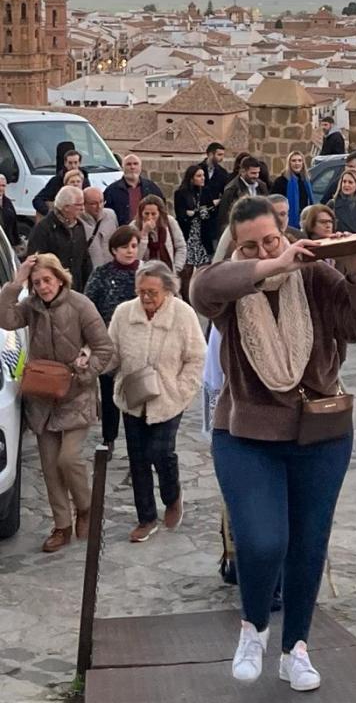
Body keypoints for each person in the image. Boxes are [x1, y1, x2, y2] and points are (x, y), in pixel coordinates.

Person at [191, 195, 356, 690]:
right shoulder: (229, 286)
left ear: (285, 230)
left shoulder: (315, 276)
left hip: (319, 434)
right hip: (245, 435)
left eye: (272, 240)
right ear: (236, 248)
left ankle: (294, 648)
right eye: (249, 245)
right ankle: (253, 626)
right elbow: (200, 289)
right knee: (262, 539)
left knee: (307, 544)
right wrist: (268, 263)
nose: (263, 249)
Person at [0, 251, 115, 552]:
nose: (43, 287)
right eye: (37, 283)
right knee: (50, 467)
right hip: (42, 398)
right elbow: (5, 318)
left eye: (47, 280)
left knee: (69, 458)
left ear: (59, 278)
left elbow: (104, 348)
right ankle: (61, 525)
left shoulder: (81, 305)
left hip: (75, 395)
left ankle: (87, 507)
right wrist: (17, 281)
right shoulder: (31, 306)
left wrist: (85, 374)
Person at [109, 260, 206, 542]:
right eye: (141, 292)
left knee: (160, 452)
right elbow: (112, 353)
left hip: (168, 398)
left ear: (168, 290)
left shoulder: (183, 314)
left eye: (152, 292)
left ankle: (172, 495)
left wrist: (181, 388)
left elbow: (197, 357)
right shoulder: (124, 313)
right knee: (138, 460)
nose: (146, 298)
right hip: (133, 397)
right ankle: (147, 517)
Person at [84, 226, 142, 452]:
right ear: (114, 249)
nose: (129, 251)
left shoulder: (145, 273)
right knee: (109, 393)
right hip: (109, 344)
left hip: (137, 344)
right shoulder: (102, 273)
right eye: (124, 247)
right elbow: (89, 306)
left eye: (134, 246)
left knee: (136, 393)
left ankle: (136, 443)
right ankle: (109, 438)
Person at [27, 186, 91, 292]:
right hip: (52, 290)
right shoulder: (44, 229)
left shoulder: (79, 226)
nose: (83, 208)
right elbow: (36, 262)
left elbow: (85, 259)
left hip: (76, 290)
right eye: (78, 205)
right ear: (66, 207)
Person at [174, 163, 213, 297]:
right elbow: (182, 215)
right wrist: (196, 213)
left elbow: (209, 212)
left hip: (202, 237)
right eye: (199, 176)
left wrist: (195, 213)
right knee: (187, 272)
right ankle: (186, 301)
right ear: (191, 178)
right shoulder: (181, 194)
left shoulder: (205, 192)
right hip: (189, 236)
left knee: (206, 270)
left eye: (203, 175)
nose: (202, 178)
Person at [103, 154, 165, 226]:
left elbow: (162, 210)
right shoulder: (112, 190)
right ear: (123, 168)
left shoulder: (152, 188)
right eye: (128, 164)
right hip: (123, 232)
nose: (132, 167)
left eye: (135, 164)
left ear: (140, 167)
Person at [133, 195, 187, 275]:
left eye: (153, 214)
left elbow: (181, 246)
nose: (149, 217)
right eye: (146, 214)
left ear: (160, 213)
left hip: (168, 271)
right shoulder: (134, 227)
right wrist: (144, 234)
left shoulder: (170, 222)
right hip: (145, 273)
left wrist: (176, 268)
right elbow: (135, 257)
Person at [33, 145, 91, 214]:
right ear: (65, 163)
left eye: (75, 162)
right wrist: (49, 214)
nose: (73, 166)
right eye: (70, 163)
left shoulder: (85, 181)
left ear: (79, 163)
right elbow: (37, 200)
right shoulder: (56, 181)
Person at [217, 155, 268, 232]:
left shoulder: (262, 186)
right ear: (242, 171)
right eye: (253, 173)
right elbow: (224, 217)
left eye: (258, 173)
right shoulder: (231, 190)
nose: (256, 176)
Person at [271, 151, 314, 232]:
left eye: (299, 160)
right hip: (288, 223)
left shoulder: (306, 181)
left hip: (305, 221)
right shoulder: (281, 181)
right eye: (293, 161)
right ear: (289, 163)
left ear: (303, 163)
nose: (297, 163)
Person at [82, 187, 119, 269]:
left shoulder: (111, 215)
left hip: (111, 269)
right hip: (91, 272)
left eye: (101, 202)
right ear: (84, 204)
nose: (99, 207)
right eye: (93, 204)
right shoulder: (78, 222)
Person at [0, 172, 19, 251]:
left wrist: (16, 242)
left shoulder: (8, 202)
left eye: (3, 186)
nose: (1, 188)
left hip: (8, 245)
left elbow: (14, 224)